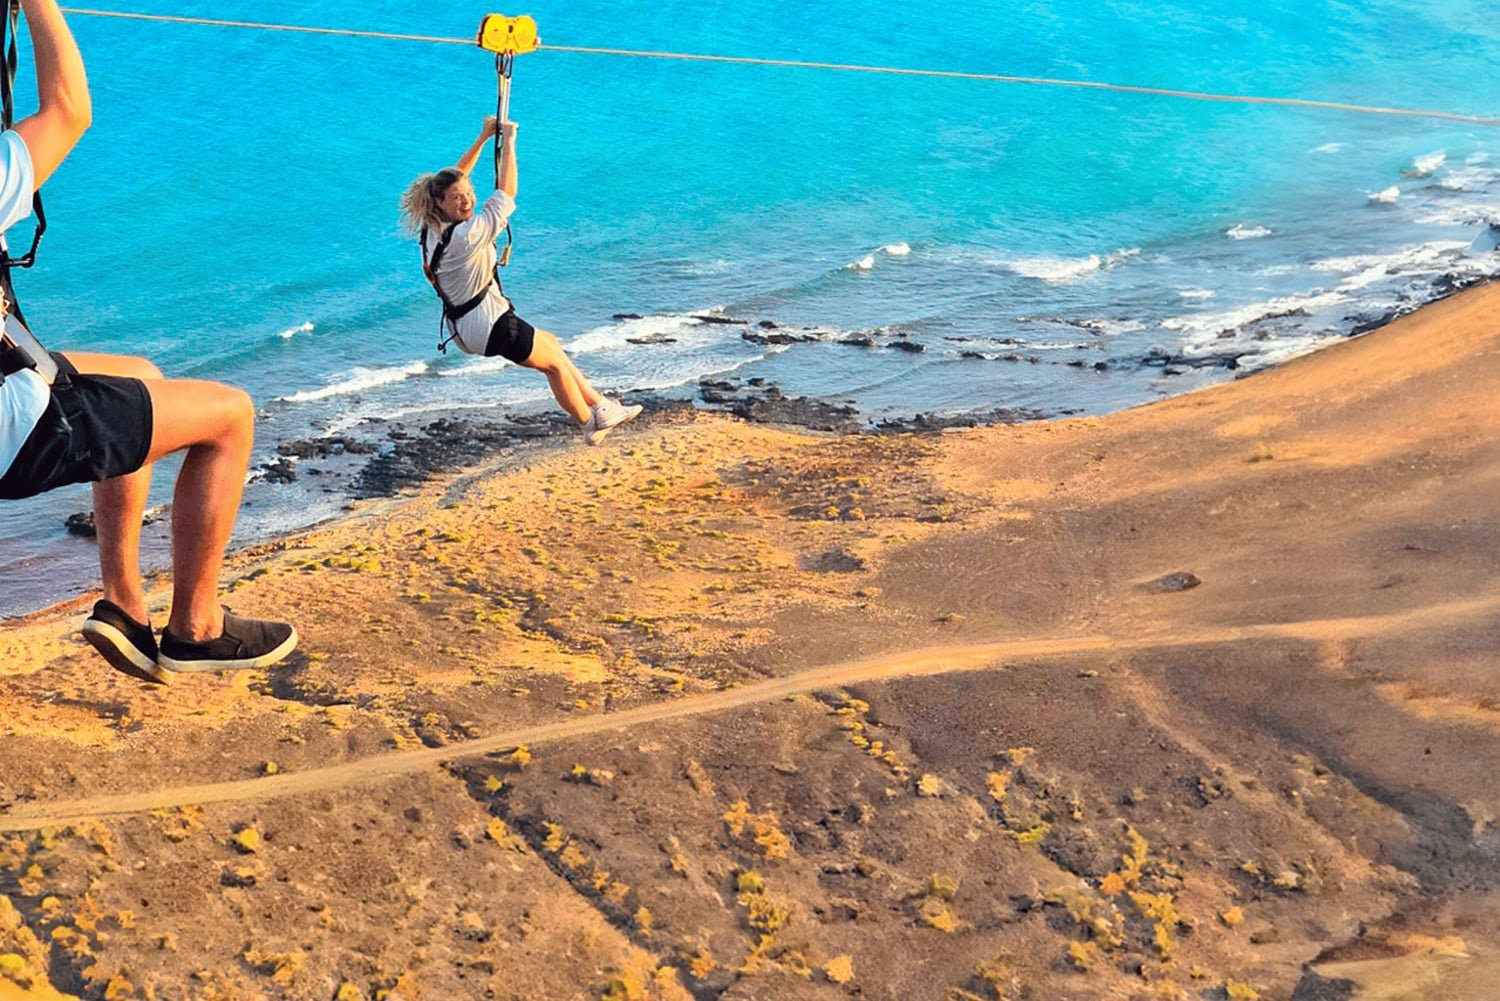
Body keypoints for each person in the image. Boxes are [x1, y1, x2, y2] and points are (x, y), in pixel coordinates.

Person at [0, 0, 296, 684]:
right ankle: (197, 628)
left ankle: (124, 603)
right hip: (12, 430)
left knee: (139, 376)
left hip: (10, 375)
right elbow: (70, 109)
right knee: (231, 415)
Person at [399, 115, 641, 445]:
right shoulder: (467, 236)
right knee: (554, 366)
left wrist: (484, 137)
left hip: (466, 328)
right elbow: (506, 192)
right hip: (490, 325)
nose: (467, 200)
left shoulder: (432, 226)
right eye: (457, 198)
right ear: (441, 202)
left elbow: (455, 177)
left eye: (469, 193)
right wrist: (509, 140)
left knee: (550, 344)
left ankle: (600, 407)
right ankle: (589, 424)